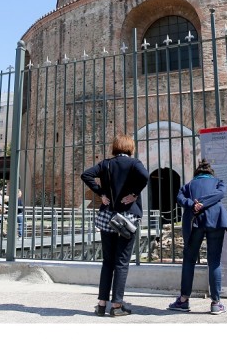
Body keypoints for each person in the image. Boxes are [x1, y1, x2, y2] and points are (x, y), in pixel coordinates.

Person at [81, 134, 149, 317]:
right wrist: (134, 194)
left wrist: (101, 193)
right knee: (122, 262)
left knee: (107, 262)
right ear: (130, 148)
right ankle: (117, 306)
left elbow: (86, 175)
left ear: (115, 147)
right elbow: (145, 176)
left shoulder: (106, 164)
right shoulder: (135, 164)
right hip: (127, 217)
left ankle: (102, 304)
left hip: (107, 216)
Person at [167, 159, 227, 315]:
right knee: (214, 261)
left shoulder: (188, 186)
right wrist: (204, 203)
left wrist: (195, 204)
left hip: (195, 222)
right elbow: (221, 193)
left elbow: (180, 199)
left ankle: (184, 300)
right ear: (210, 174)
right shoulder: (218, 182)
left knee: (189, 260)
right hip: (216, 220)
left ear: (196, 174)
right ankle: (216, 303)